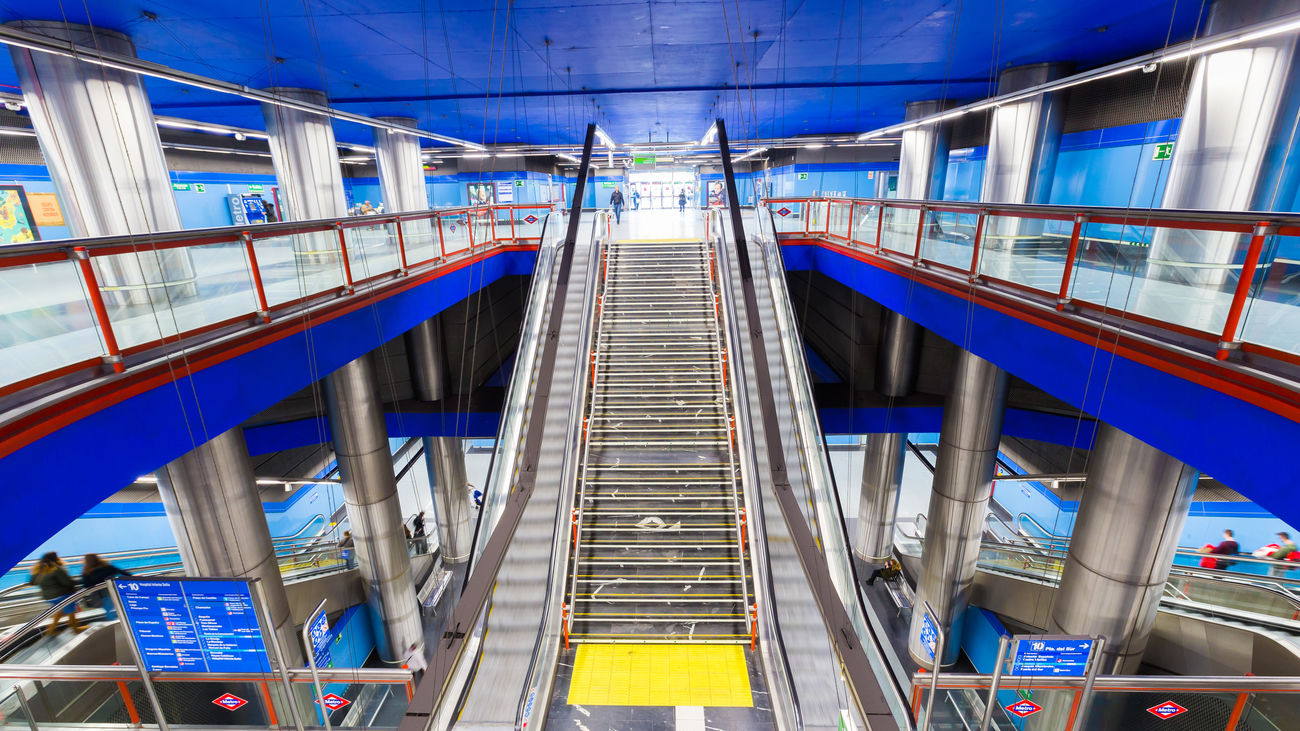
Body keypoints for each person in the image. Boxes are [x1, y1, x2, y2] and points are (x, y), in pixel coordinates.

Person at [28, 552, 85, 635]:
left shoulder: (38, 570)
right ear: (55, 559)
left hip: (48, 598)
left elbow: (32, 583)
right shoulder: (56, 569)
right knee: (71, 610)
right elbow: (67, 582)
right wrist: (82, 581)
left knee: (59, 611)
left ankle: (50, 631)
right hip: (62, 595)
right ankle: (76, 629)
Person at [81, 554, 131, 621]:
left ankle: (115, 624)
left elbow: (86, 585)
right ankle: (122, 623)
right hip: (113, 591)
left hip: (100, 595)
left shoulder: (87, 572)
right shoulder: (107, 567)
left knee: (109, 610)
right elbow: (124, 573)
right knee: (117, 608)